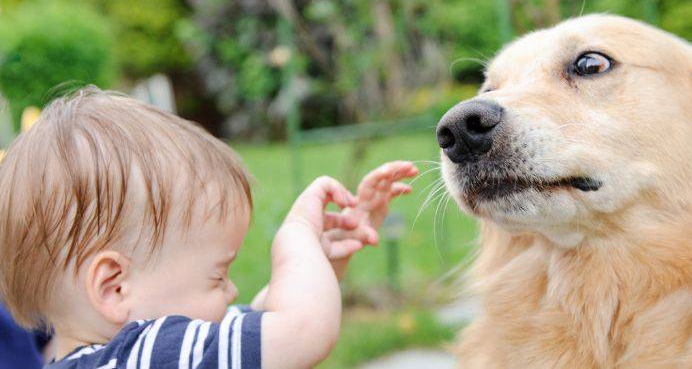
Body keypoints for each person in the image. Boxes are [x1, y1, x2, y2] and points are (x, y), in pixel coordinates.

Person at [0, 87, 417, 368]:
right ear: (115, 286)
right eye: (217, 275)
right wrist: (297, 239)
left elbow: (258, 319)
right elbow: (302, 330)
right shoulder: (144, 353)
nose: (231, 291)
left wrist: (319, 261)